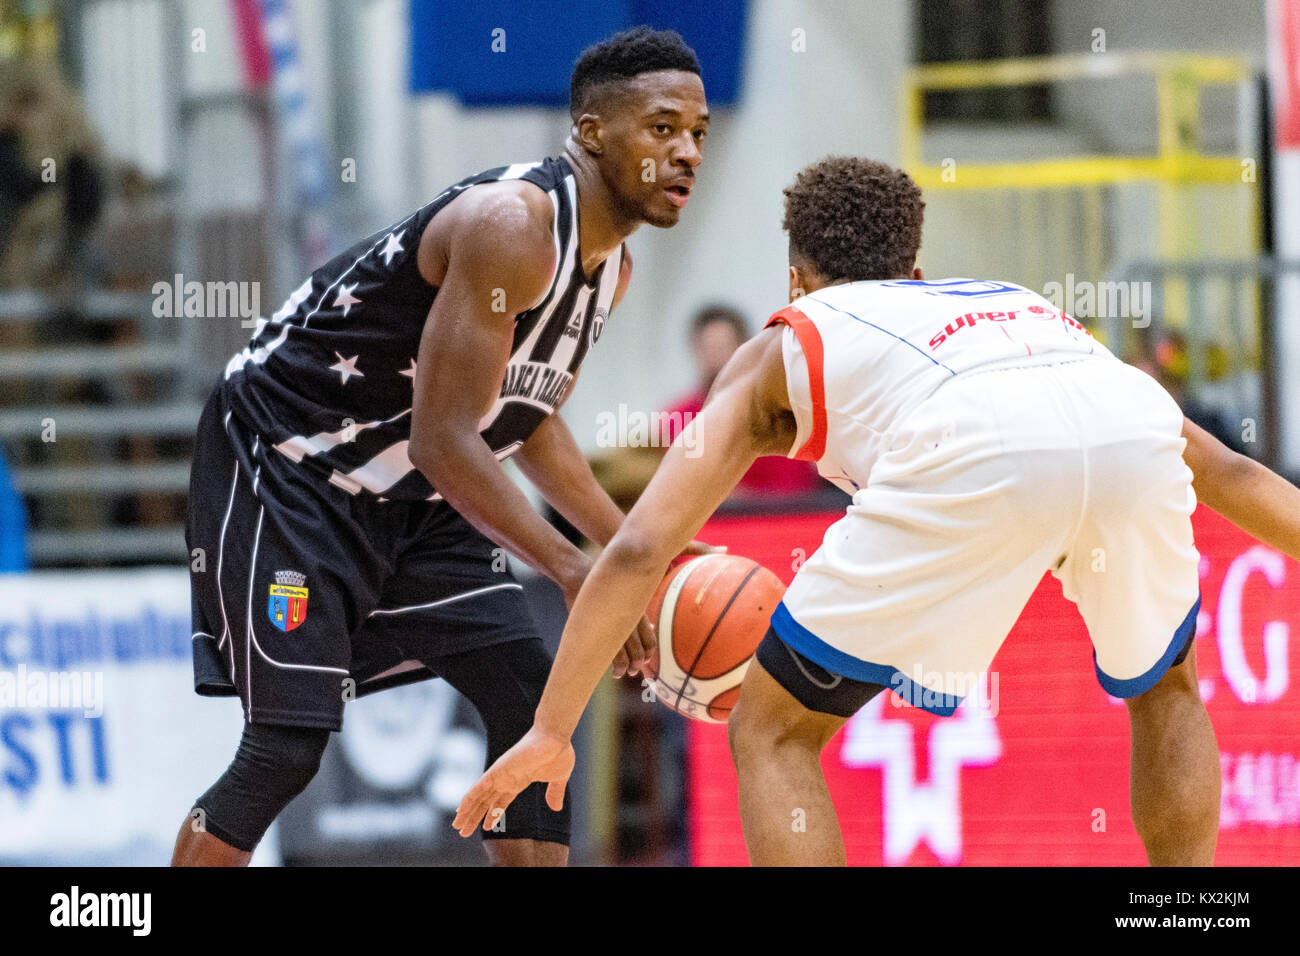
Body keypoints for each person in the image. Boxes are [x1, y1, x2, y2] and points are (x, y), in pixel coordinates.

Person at [453, 156, 1300, 866]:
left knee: (773, 733)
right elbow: (1229, 467)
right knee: (1169, 688)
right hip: (1118, 426)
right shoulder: (1019, 303)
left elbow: (639, 547)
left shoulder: (789, 337)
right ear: (918, 270)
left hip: (967, 447)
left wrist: (551, 730)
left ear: (795, 279)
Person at [174, 26, 714, 868]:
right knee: (284, 750)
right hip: (287, 464)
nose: (685, 153)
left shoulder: (611, 269)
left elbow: (524, 415)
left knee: (531, 698)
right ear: (592, 131)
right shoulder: (514, 226)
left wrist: (628, 544)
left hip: (408, 487)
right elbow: (445, 440)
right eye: (662, 128)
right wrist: (573, 568)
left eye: (697, 134)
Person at [662, 305, 822, 497]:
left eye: (722, 347)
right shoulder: (677, 418)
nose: (714, 358)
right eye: (707, 348)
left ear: (743, 349)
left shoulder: (776, 417)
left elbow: (794, 494)